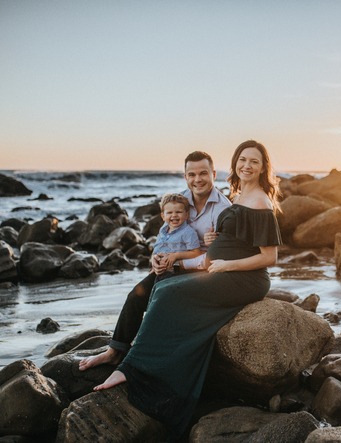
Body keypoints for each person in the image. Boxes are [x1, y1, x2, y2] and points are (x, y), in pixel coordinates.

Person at [93, 140, 282, 441]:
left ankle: (133, 367)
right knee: (164, 285)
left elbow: (269, 257)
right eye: (242, 159)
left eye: (254, 162)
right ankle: (131, 355)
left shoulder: (260, 201)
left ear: (263, 168)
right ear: (234, 164)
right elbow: (236, 235)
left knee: (169, 294)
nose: (247, 165)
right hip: (218, 268)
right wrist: (216, 237)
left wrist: (226, 266)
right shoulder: (239, 194)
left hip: (244, 278)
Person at [79, 151, 231, 371]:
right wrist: (154, 259)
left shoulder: (223, 209)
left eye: (203, 173)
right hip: (170, 267)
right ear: (185, 176)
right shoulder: (178, 201)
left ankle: (145, 357)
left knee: (160, 302)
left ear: (214, 174)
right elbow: (164, 236)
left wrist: (215, 240)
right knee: (136, 295)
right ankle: (114, 351)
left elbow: (224, 251)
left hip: (202, 272)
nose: (197, 179)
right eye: (192, 174)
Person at [151, 193, 201, 283]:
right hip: (160, 271)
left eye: (178, 212)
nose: (174, 215)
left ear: (186, 215)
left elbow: (196, 252)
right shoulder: (163, 231)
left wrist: (176, 255)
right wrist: (154, 259)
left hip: (177, 273)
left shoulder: (188, 232)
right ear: (163, 216)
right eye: (169, 213)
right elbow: (157, 248)